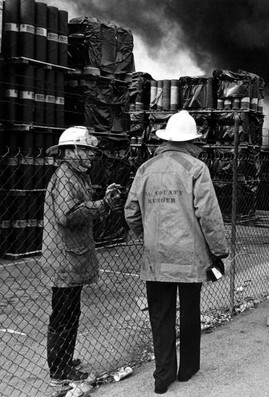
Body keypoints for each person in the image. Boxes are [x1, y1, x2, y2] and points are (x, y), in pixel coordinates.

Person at [124, 110, 229, 394]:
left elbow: (131, 212)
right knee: (190, 312)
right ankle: (188, 369)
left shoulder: (145, 169)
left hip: (156, 258)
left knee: (160, 315)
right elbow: (208, 214)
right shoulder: (196, 168)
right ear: (190, 140)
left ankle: (163, 376)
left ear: (167, 139)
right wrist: (220, 250)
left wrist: (148, 237)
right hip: (189, 258)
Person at [43, 126, 122, 386]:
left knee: (70, 312)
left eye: (90, 151)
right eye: (86, 150)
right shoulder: (66, 177)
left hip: (70, 255)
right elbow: (67, 215)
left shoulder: (77, 177)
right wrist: (102, 206)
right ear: (72, 151)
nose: (90, 156)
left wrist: (102, 202)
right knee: (64, 313)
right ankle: (59, 370)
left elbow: (78, 208)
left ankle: (64, 359)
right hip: (64, 257)